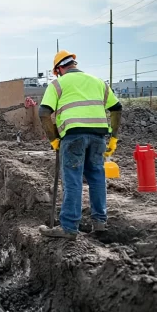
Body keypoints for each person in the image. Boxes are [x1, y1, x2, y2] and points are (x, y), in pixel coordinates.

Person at [38, 50, 122, 241]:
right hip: (99, 136)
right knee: (97, 177)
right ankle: (100, 223)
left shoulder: (58, 83)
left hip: (73, 136)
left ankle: (69, 227)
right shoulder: (98, 82)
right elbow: (116, 108)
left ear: (59, 69)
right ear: (74, 64)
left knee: (73, 180)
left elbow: (44, 112)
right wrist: (114, 138)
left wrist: (53, 139)